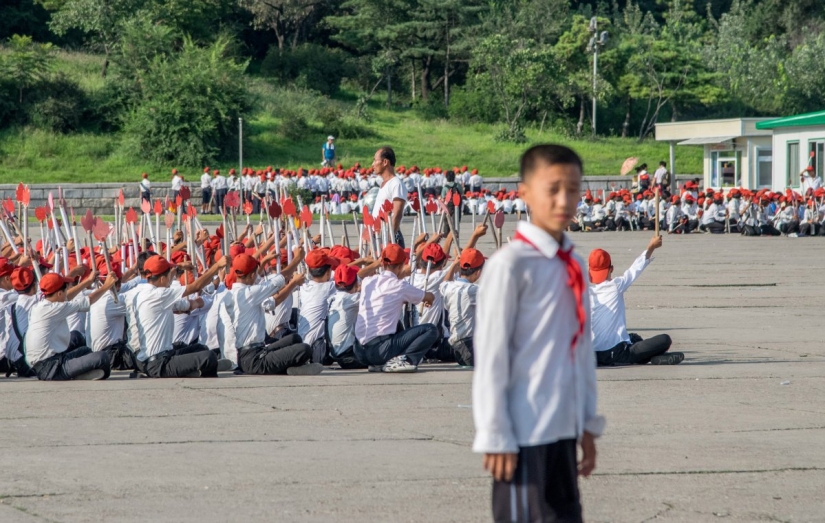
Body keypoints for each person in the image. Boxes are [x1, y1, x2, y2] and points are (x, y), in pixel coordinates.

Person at [473, 144, 604, 523]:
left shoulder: (574, 263)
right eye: (553, 188)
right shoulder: (510, 265)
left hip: (562, 428)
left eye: (574, 189)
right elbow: (492, 355)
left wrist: (587, 423)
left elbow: (580, 351)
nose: (565, 199)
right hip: (523, 433)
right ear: (525, 192)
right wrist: (495, 432)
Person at [221, 253, 323, 376]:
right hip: (254, 359)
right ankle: (289, 369)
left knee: (294, 339)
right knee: (304, 349)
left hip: (255, 352)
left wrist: (292, 283)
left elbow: (272, 302)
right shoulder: (249, 293)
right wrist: (297, 259)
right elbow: (281, 279)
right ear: (253, 274)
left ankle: (289, 367)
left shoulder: (234, 294)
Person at [589, 235, 682, 366]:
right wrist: (651, 247)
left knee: (633, 337)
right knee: (665, 340)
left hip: (595, 354)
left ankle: (651, 357)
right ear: (611, 269)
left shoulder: (587, 294)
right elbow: (635, 269)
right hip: (617, 354)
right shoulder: (615, 286)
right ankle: (652, 358)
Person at [133, 255, 229, 378]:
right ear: (162, 279)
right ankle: (202, 367)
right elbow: (195, 287)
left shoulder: (144, 294)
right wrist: (217, 266)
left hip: (156, 357)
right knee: (208, 356)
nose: (171, 280)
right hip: (159, 363)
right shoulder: (160, 294)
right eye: (169, 277)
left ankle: (196, 368)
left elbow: (183, 306)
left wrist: (194, 303)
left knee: (200, 348)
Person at [354, 244, 438, 373]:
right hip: (380, 350)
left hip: (360, 351)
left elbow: (358, 275)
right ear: (401, 266)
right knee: (430, 329)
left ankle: (380, 363)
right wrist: (428, 298)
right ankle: (406, 360)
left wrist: (377, 264)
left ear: (383, 263)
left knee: (396, 323)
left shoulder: (368, 281)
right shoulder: (400, 286)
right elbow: (429, 297)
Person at [26, 271, 118, 381]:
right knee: (102, 358)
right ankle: (75, 375)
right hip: (51, 367)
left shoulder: (42, 304)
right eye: (66, 289)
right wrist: (107, 286)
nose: (67, 292)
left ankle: (78, 374)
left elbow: (66, 297)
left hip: (50, 361)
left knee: (85, 350)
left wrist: (88, 281)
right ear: (59, 293)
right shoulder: (55, 309)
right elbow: (87, 301)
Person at [439, 248, 485, 367]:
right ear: (478, 273)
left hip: (455, 346)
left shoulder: (449, 287)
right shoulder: (472, 290)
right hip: (469, 347)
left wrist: (454, 265)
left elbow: (444, 283)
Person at [371, 146, 406, 247]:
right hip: (379, 236)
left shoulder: (396, 183)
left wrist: (389, 241)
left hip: (388, 237)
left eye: (375, 160)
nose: (372, 164)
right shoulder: (384, 184)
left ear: (385, 162)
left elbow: (397, 213)